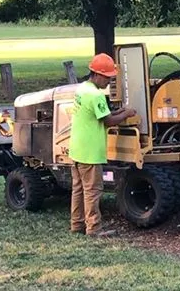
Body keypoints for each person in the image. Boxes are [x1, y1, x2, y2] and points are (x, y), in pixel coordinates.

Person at [69, 53, 136, 237]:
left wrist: (119, 110)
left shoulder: (82, 89)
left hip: (76, 148)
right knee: (93, 191)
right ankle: (94, 229)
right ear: (97, 74)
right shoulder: (96, 95)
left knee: (78, 189)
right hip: (90, 152)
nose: (109, 81)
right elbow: (108, 121)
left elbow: (99, 113)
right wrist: (127, 113)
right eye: (107, 77)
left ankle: (76, 225)